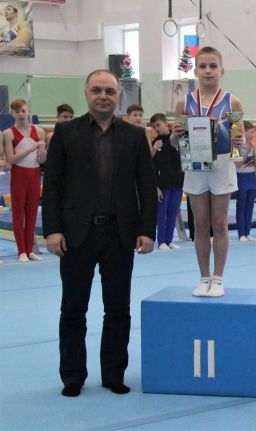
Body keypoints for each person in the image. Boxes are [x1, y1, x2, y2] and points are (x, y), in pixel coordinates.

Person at [42, 69, 157, 397]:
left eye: (109, 90)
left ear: (119, 95)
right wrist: (52, 230)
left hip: (120, 233)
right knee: (73, 308)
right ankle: (73, 375)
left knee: (118, 309)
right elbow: (52, 185)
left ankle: (113, 374)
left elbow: (147, 186)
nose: (103, 96)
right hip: (75, 234)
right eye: (97, 90)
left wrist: (146, 230)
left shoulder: (135, 136)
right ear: (86, 93)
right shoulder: (65, 133)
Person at [171, 46, 244, 297]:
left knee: (219, 222)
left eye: (213, 66)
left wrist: (239, 144)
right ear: (195, 71)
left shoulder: (232, 102)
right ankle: (204, 277)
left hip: (222, 164)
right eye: (202, 66)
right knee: (200, 223)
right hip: (194, 164)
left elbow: (239, 147)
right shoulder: (184, 102)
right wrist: (174, 136)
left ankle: (218, 278)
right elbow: (175, 143)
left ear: (222, 70)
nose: (208, 71)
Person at [2, 98, 46, 261]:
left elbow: (41, 160)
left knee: (32, 213)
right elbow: (11, 159)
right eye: (17, 111)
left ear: (28, 111)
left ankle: (30, 250)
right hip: (19, 175)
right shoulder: (8, 133)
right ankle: (21, 251)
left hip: (35, 174)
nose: (21, 114)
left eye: (23, 110)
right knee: (19, 213)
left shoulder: (39, 132)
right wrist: (31, 147)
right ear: (12, 114)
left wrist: (43, 153)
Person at [150, 113, 183, 250]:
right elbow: (151, 167)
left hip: (178, 182)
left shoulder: (177, 138)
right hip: (163, 184)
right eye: (154, 126)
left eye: (158, 125)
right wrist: (156, 186)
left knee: (173, 213)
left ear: (165, 122)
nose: (156, 128)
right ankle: (161, 241)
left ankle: (169, 240)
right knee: (162, 214)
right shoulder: (155, 142)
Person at [235, 121, 256, 242]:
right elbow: (237, 165)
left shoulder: (253, 146)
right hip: (241, 177)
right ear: (244, 133)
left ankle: (248, 232)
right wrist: (246, 152)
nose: (253, 135)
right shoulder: (237, 146)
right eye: (251, 132)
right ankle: (241, 234)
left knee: (250, 206)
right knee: (241, 206)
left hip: (252, 177)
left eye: (253, 132)